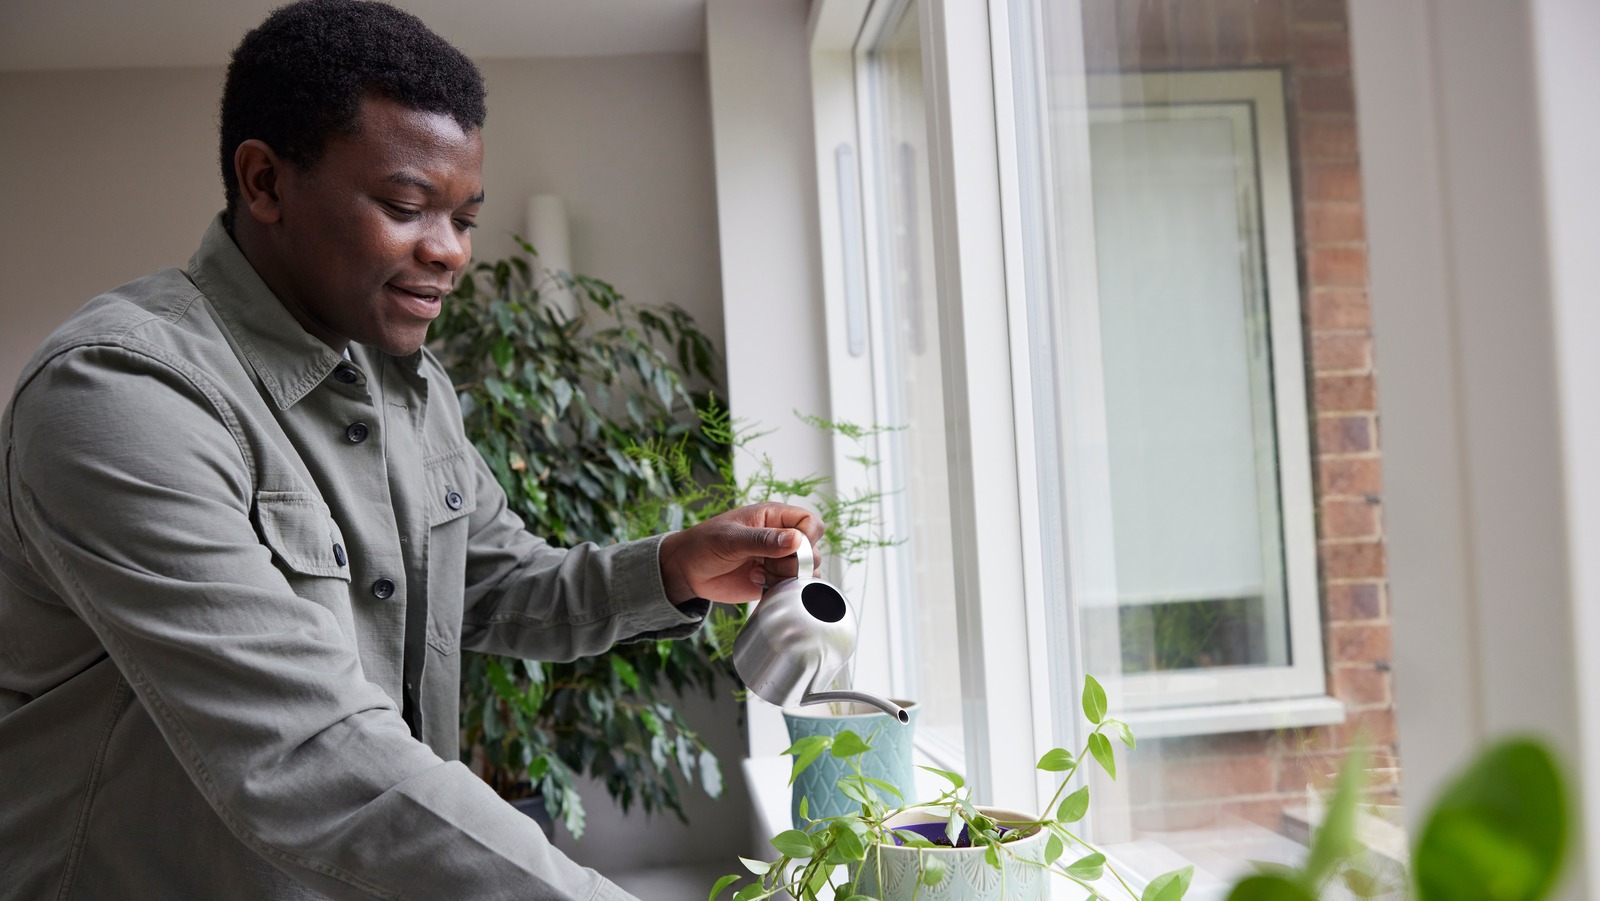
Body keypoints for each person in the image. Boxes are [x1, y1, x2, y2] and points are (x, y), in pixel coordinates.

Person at [0, 1, 818, 898]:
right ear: (265, 182)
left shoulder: (410, 385)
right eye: (405, 206)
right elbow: (308, 748)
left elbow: (492, 585)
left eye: (465, 218)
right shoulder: (119, 395)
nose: (451, 252)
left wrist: (672, 565)